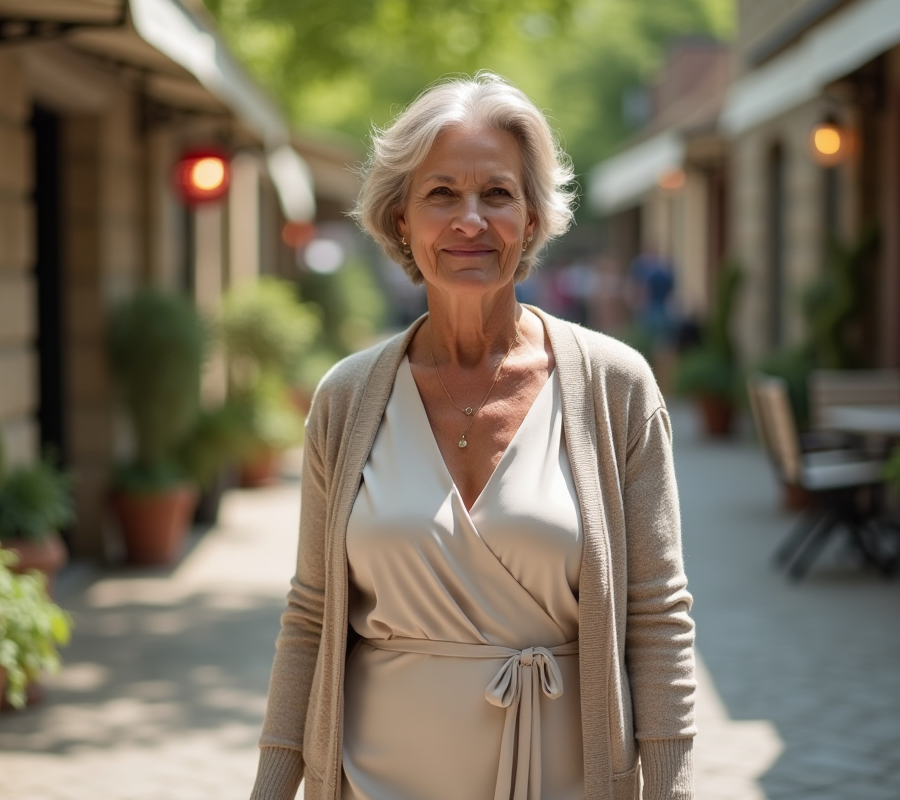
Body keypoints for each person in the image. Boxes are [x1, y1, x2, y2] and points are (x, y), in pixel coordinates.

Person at [250, 73, 696, 800]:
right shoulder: (345, 398)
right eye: (440, 194)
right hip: (373, 779)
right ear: (400, 220)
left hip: (564, 781)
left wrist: (671, 791)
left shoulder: (616, 386)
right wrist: (272, 787)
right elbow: (310, 615)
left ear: (531, 218)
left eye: (496, 194)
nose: (469, 221)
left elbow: (656, 614)